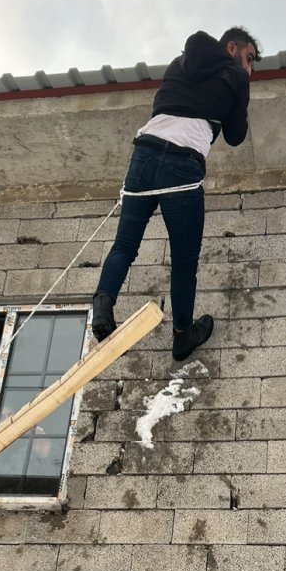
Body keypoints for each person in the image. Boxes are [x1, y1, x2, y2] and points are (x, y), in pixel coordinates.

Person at [91, 27, 260, 360]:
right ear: (232, 47)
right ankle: (183, 336)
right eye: (249, 58)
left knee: (125, 244)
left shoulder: (179, 62)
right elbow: (236, 135)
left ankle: (103, 305)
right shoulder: (236, 77)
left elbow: (164, 101)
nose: (250, 67)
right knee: (184, 262)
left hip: (145, 153)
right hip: (183, 165)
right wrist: (240, 87)